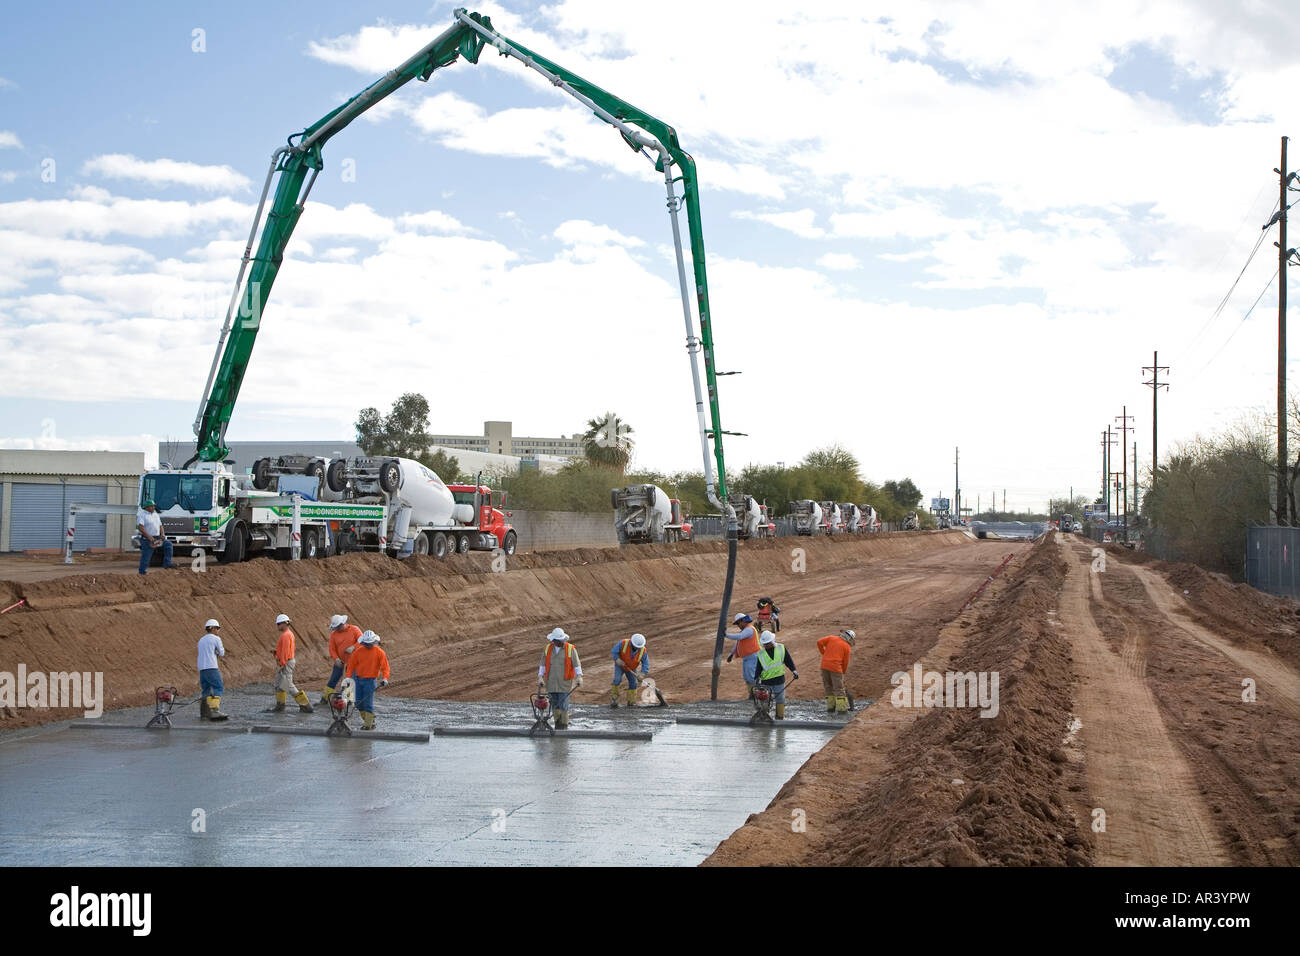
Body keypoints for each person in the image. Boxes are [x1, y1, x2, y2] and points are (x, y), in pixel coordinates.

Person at [537, 627, 583, 729]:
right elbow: (543, 665)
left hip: (564, 683)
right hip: (551, 682)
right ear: (553, 641)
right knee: (554, 705)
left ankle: (564, 726)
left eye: (563, 640)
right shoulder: (547, 649)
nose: (562, 642)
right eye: (559, 641)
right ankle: (557, 726)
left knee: (564, 705)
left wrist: (579, 676)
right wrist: (540, 677)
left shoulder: (571, 649)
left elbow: (576, 664)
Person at [344, 630, 390, 730]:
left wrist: (385, 678)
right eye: (367, 644)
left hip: (370, 681)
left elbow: (385, 667)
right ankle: (370, 720)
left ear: (374, 642)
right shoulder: (358, 652)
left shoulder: (380, 652)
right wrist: (348, 677)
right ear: (363, 642)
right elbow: (351, 666)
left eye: (370, 643)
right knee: (358, 703)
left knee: (368, 704)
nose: (368, 645)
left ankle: (368, 725)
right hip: (357, 680)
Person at [271, 613, 313, 714]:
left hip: (286, 662)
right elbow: (285, 650)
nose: (277, 626)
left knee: (288, 684)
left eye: (279, 624)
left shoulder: (286, 635)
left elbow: (285, 651)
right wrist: (277, 653)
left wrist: (282, 663)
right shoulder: (287, 634)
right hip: (285, 661)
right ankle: (280, 705)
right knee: (279, 684)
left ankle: (306, 705)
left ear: (285, 624)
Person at [320, 614, 363, 705]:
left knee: (350, 680)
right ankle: (325, 699)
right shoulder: (334, 635)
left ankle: (349, 700)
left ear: (343, 623)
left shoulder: (354, 629)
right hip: (340, 660)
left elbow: (362, 641)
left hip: (353, 660)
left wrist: (353, 647)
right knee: (333, 679)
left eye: (339, 627)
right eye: (336, 627)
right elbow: (332, 649)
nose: (338, 629)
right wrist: (336, 659)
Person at [755, 630, 798, 720]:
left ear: (772, 641)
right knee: (765, 700)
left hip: (779, 680)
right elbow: (758, 668)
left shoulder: (781, 648)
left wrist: (794, 670)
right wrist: (756, 678)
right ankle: (765, 717)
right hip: (766, 682)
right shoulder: (761, 654)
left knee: (780, 700)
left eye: (767, 643)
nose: (766, 645)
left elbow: (788, 660)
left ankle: (779, 718)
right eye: (764, 644)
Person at [816, 628, 855, 713]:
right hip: (836, 669)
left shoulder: (831, 638)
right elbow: (845, 662)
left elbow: (819, 642)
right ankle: (842, 710)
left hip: (824, 666)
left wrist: (824, 653)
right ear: (850, 638)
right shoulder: (847, 647)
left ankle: (831, 708)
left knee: (828, 687)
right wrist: (843, 672)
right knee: (839, 689)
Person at [196, 618, 229, 721]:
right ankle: (214, 711)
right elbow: (222, 653)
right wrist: (217, 652)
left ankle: (204, 713)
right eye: (218, 628)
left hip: (202, 669)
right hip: (211, 667)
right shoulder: (216, 639)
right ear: (213, 628)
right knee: (218, 687)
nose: (218, 630)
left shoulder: (201, 640)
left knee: (206, 690)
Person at [609, 633, 649, 708]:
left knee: (634, 683)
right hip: (620, 665)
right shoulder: (624, 643)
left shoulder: (643, 650)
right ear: (632, 643)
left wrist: (642, 674)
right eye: (636, 647)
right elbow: (614, 651)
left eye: (639, 647)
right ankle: (614, 699)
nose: (637, 649)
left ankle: (631, 701)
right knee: (617, 680)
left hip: (631, 668)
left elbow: (646, 663)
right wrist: (617, 659)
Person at [136, 499, 175, 575]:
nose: (153, 507)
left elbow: (160, 525)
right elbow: (141, 528)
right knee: (146, 556)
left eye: (153, 506)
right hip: (147, 539)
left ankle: (167, 564)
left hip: (157, 538)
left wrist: (163, 534)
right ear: (146, 507)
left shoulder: (155, 514)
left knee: (168, 545)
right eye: (151, 506)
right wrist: (149, 537)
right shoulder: (142, 515)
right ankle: (142, 572)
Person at [726, 612, 761, 697]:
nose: (738, 625)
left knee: (752, 677)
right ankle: (752, 694)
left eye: (738, 623)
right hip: (747, 658)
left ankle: (757, 694)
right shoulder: (745, 630)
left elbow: (739, 637)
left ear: (743, 621)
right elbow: (738, 643)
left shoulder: (749, 629)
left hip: (753, 657)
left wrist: (726, 635)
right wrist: (731, 654)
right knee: (747, 677)